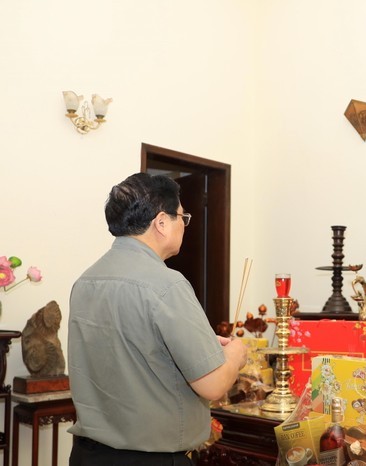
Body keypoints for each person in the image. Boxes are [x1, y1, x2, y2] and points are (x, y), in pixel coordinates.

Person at [68, 173, 248, 466]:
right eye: (182, 217)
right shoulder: (166, 284)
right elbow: (213, 385)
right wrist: (236, 354)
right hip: (151, 459)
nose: (184, 226)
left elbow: (128, 353)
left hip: (89, 455)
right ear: (161, 222)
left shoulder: (87, 280)